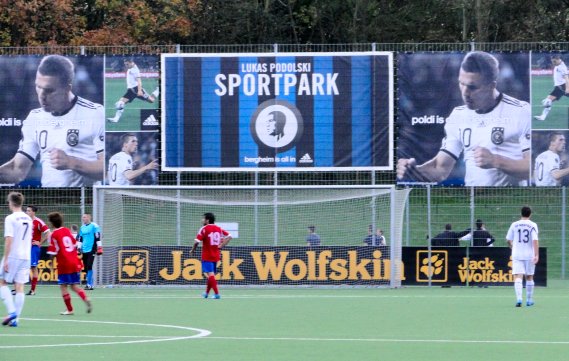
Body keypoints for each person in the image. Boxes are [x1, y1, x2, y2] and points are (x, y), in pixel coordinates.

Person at [397, 51, 531, 186]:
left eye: (472, 87)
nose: (465, 93)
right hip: (473, 202)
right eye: (461, 83)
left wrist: (495, 161)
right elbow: (440, 169)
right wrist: (414, 171)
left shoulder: (520, 111)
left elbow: (533, 168)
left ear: (491, 85)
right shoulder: (458, 115)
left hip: (511, 201)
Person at [0, 55, 105, 187]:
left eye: (49, 90)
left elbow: (107, 168)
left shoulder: (95, 113)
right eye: (38, 87)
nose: (41, 96)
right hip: (50, 200)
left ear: (67, 88)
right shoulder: (35, 118)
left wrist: (71, 162)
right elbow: (18, 170)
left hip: (87, 201)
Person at [46, 212, 92, 315]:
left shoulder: (53, 234)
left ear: (52, 224)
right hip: (74, 261)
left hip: (64, 263)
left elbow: (52, 252)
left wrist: (51, 264)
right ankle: (86, 298)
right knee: (74, 286)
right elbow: (75, 245)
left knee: (63, 286)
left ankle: (70, 310)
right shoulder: (67, 230)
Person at [1, 192, 32, 327]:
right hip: (26, 256)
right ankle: (15, 320)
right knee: (19, 287)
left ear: (10, 203)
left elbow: (9, 239)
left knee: (1, 282)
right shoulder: (28, 218)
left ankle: (12, 312)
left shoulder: (10, 218)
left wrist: (6, 258)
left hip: (14, 255)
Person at [190, 213, 232, 299]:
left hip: (207, 255)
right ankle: (206, 293)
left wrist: (193, 250)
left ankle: (217, 294)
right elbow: (230, 236)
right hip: (216, 255)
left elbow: (197, 241)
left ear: (207, 220)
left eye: (203, 219)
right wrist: (221, 245)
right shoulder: (219, 229)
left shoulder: (204, 229)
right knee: (210, 275)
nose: (202, 220)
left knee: (211, 275)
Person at [107, 58, 159, 123]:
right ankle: (116, 119)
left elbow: (139, 81)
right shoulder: (132, 67)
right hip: (131, 91)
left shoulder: (135, 70)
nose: (126, 65)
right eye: (125, 64)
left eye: (127, 64)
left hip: (136, 90)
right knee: (120, 103)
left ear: (131, 62)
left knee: (152, 100)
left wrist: (139, 91)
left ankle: (158, 90)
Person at [506, 206, 539, 307]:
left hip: (517, 254)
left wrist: (512, 246)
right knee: (529, 277)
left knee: (518, 277)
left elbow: (508, 239)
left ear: (521, 213)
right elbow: (535, 240)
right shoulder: (533, 225)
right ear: (530, 214)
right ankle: (529, 300)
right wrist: (536, 254)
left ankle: (519, 299)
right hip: (529, 254)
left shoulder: (514, 225)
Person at [25, 205, 51, 295]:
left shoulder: (38, 222)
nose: (27, 212)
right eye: (26, 211)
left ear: (33, 212)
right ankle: (18, 288)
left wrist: (39, 242)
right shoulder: (25, 221)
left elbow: (48, 232)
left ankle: (32, 290)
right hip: (24, 247)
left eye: (28, 211)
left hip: (33, 248)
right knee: (22, 266)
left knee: (33, 267)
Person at [534, 54, 569, 121]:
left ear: (558, 59)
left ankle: (542, 117)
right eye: (552, 61)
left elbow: (567, 78)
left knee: (547, 101)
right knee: (547, 101)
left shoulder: (562, 67)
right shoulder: (558, 64)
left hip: (562, 87)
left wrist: (567, 88)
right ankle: (542, 117)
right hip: (559, 87)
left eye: (554, 61)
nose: (553, 63)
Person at [77, 213, 102, 290]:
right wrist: (78, 248)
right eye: (83, 217)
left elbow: (98, 237)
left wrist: (99, 247)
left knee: (89, 265)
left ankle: (89, 284)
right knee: (86, 267)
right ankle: (90, 283)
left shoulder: (94, 226)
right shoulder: (82, 227)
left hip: (92, 249)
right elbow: (80, 238)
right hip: (84, 250)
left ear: (89, 217)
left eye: (84, 217)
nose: (83, 218)